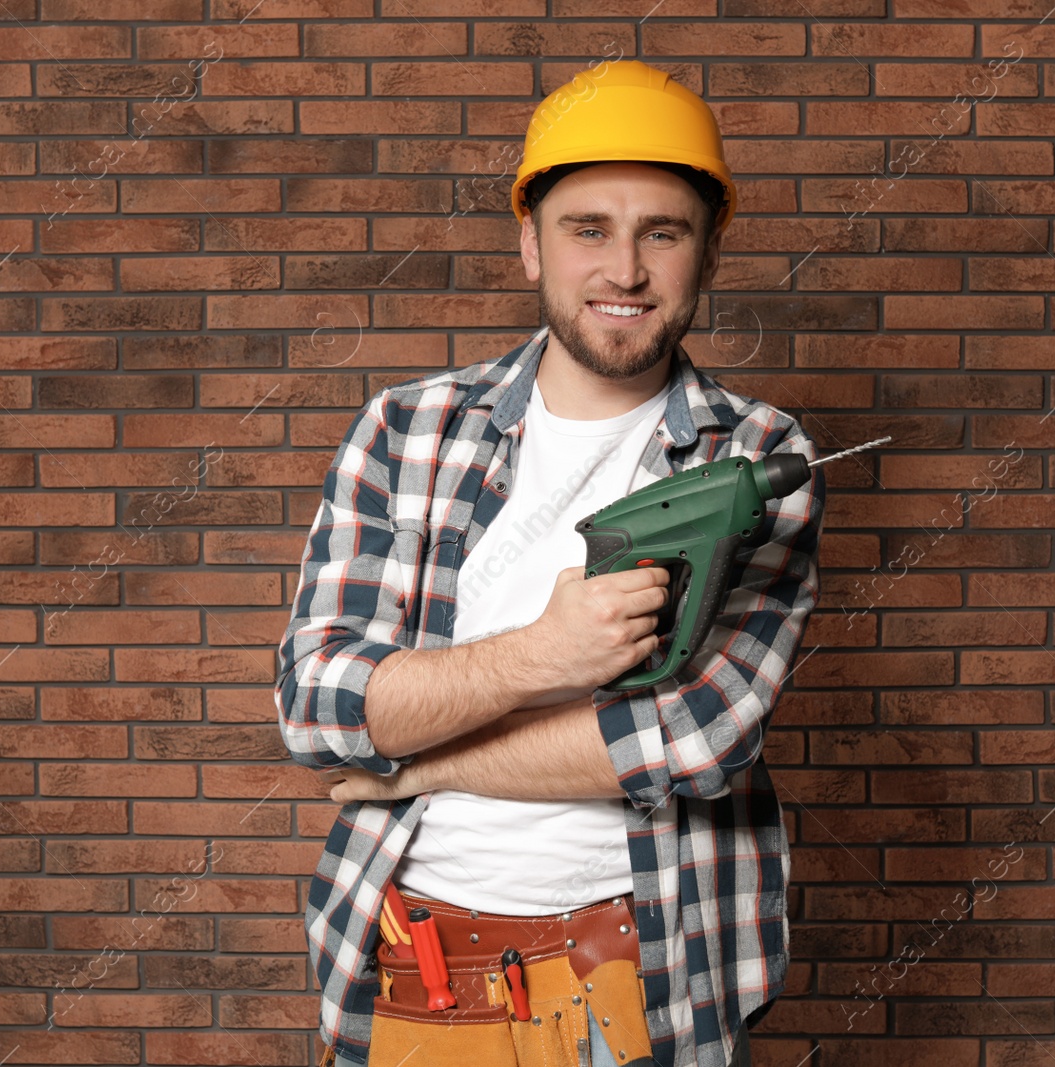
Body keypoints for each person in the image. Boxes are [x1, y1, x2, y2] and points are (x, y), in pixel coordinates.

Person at [276, 59, 825, 1067]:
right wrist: (543, 653)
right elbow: (320, 707)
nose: (624, 269)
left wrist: (411, 764)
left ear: (706, 254)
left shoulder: (753, 459)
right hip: (409, 960)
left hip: (639, 969)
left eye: (662, 232)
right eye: (588, 229)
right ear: (531, 244)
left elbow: (696, 737)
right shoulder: (408, 431)